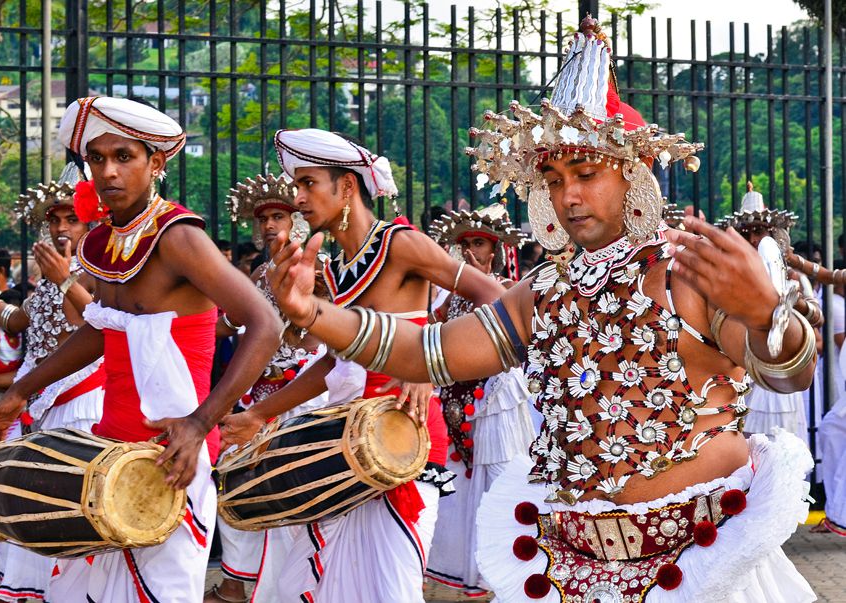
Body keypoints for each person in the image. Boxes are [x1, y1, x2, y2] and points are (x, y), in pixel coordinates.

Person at [264, 18, 818, 603]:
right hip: (573, 569)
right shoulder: (542, 291)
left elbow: (788, 372)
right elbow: (427, 353)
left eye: (585, 174)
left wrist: (766, 317)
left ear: (634, 174)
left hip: (704, 567)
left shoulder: (687, 272)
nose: (568, 195)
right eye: (553, 179)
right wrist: (310, 311)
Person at [0, 96, 281, 603]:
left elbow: (265, 324)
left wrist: (201, 424)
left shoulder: (178, 237)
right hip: (110, 448)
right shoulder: (107, 240)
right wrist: (19, 393)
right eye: (97, 159)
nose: (108, 171)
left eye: (124, 157)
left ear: (156, 163)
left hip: (171, 454)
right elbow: (102, 330)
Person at [218, 128, 505, 603]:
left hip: (404, 444)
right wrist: (257, 415)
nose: (300, 197)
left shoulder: (400, 243)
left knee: (389, 590)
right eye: (298, 186)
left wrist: (429, 367)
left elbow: (494, 301)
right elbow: (335, 362)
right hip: (345, 445)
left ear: (346, 187)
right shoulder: (335, 266)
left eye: (309, 183)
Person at [0, 162, 106, 603]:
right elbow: (19, 321)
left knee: (67, 507)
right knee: (32, 501)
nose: (59, 227)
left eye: (70, 218)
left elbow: (97, 324)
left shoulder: (102, 271)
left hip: (83, 405)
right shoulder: (45, 281)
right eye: (53, 219)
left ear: (91, 222)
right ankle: (26, 591)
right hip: (41, 406)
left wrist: (67, 279)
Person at [206, 174, 329, 603]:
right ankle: (238, 583)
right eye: (264, 219)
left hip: (301, 396)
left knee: (288, 496)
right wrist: (192, 324)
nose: (270, 225)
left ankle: (285, 590)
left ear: (297, 219)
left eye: (279, 215)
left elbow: (335, 328)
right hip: (255, 399)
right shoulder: (259, 271)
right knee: (237, 484)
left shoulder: (321, 267)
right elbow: (231, 323)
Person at [424, 203, 536, 597]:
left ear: (496, 250)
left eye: (479, 243)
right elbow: (431, 331)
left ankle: (502, 573)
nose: (471, 250)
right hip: (455, 399)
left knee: (499, 480)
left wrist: (477, 280)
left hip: (494, 401)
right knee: (457, 490)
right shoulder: (448, 295)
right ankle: (459, 571)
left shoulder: (505, 287)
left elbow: (508, 326)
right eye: (466, 243)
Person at [714, 183, 813, 443]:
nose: (754, 239)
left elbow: (816, 321)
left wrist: (795, 304)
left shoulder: (793, 277)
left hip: (782, 370)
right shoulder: (728, 279)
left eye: (758, 231)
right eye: (746, 233)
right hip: (742, 372)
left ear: (771, 233)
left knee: (785, 453)